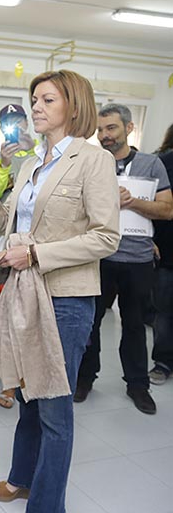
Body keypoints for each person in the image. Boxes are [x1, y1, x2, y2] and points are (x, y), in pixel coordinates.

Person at [0, 69, 120, 511]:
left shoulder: (94, 161)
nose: (36, 106)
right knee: (26, 396)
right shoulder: (31, 163)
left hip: (66, 299)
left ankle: (47, 503)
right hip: (23, 295)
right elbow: (4, 228)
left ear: (73, 106)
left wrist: (36, 255)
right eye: (35, 99)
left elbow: (106, 236)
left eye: (48, 100)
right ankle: (22, 478)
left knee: (54, 408)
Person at [74, 104, 173, 414]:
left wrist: (134, 203)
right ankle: (85, 378)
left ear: (129, 129)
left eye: (112, 129)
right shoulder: (90, 163)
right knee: (89, 324)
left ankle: (137, 385)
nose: (105, 136)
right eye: (101, 130)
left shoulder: (152, 164)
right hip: (97, 258)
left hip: (137, 260)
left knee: (133, 325)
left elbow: (167, 210)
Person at [0, 103, 36, 409]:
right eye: (9, 123)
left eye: (19, 121)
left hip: (35, 244)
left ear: (27, 122)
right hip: (3, 240)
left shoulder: (43, 152)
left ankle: (26, 371)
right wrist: (4, 163)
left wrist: (30, 152)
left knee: (29, 310)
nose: (15, 127)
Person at [151, 123, 173, 385]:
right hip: (168, 250)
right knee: (166, 310)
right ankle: (163, 362)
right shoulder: (165, 163)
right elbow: (159, 206)